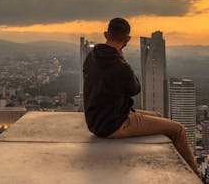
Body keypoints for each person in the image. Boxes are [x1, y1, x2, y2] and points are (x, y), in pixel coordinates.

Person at [83, 17, 199, 176]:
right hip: (114, 124)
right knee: (178, 130)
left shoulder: (91, 57)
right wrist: (122, 58)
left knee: (158, 116)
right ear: (127, 39)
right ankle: (196, 176)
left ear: (105, 34)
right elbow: (135, 88)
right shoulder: (119, 64)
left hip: (95, 121)